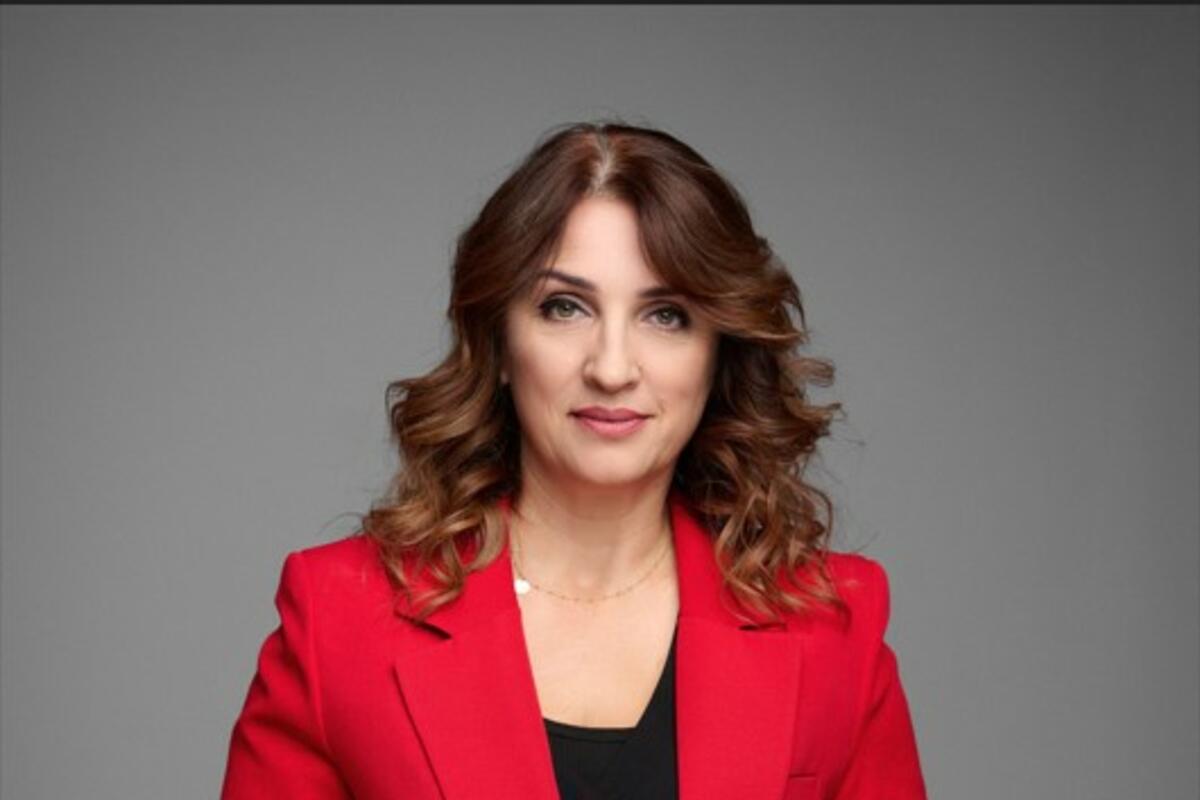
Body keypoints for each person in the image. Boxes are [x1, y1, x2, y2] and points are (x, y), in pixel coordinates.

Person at [220, 120, 927, 800]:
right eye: (565, 307)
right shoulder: (339, 620)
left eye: (667, 315)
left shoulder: (835, 628)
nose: (612, 368)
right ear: (498, 343)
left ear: (719, 352)